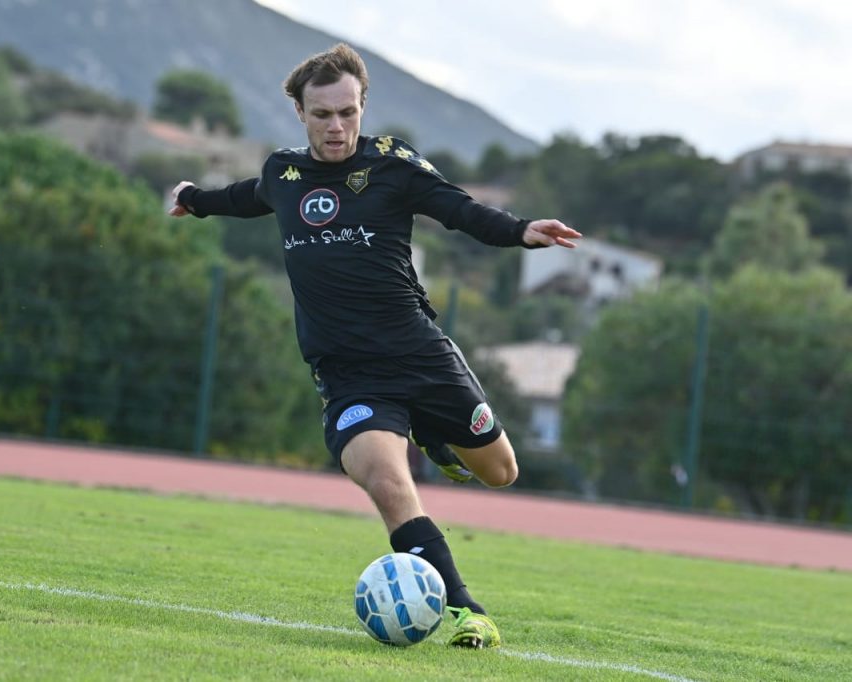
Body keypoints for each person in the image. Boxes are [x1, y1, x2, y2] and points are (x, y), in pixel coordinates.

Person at [169, 43, 581, 649]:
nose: (336, 126)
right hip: (347, 376)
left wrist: (521, 231)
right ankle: (467, 611)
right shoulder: (283, 174)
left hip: (419, 354)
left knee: (500, 472)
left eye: (348, 112)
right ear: (300, 114)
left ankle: (432, 432)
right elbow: (241, 197)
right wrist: (193, 199)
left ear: (362, 106)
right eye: (322, 114)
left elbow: (459, 210)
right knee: (389, 483)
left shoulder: (392, 165)